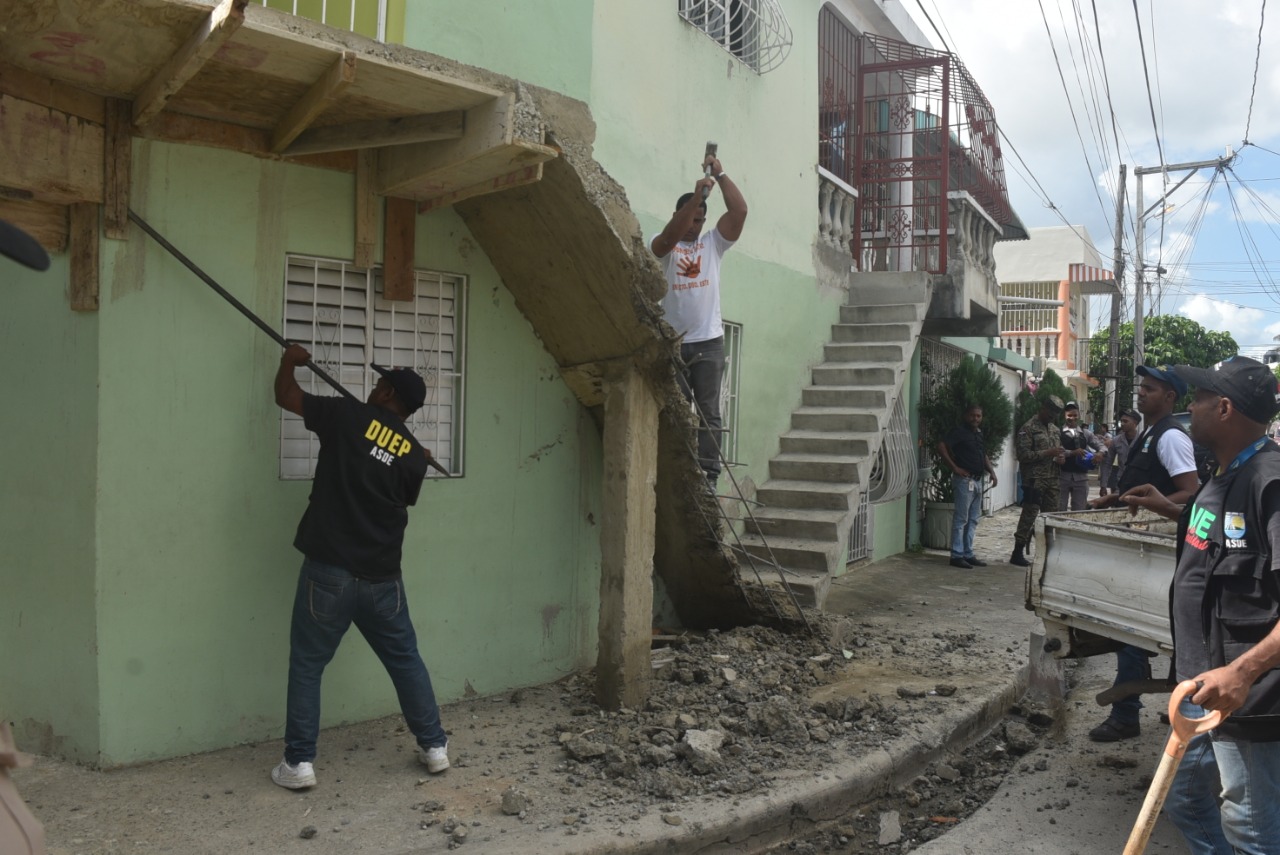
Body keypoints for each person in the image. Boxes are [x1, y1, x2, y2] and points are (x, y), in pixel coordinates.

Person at [270, 345, 449, 790]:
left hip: (328, 572)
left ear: (387, 391)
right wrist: (412, 456)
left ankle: (299, 764)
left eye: (379, 382)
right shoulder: (413, 455)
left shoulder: (346, 415)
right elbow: (398, 490)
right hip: (382, 579)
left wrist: (289, 361)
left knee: (309, 665)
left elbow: (286, 396)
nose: (373, 386)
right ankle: (435, 748)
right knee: (406, 661)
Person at [1121, 356, 1280, 852]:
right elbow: (1213, 538)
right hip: (1198, 687)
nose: (1191, 408)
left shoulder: (1268, 482)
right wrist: (1166, 506)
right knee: (1186, 797)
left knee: (1250, 827)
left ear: (1226, 408)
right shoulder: (1224, 473)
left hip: (1243, 696)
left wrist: (1243, 672)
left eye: (1200, 398)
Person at [1087, 367, 1201, 743]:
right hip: (1144, 546)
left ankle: (1126, 716)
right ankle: (1178, 709)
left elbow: (1190, 492)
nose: (1141, 394)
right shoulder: (1149, 434)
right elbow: (1144, 488)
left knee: (1132, 630)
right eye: (1141, 388)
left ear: (1170, 398)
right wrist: (1116, 499)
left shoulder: (1171, 437)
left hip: (1160, 549)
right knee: (1156, 631)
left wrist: (1156, 506)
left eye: (1150, 390)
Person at [650, 153, 748, 489]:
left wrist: (720, 175)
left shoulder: (713, 244)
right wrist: (695, 199)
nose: (697, 225)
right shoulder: (665, 246)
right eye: (692, 218)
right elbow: (668, 239)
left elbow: (740, 212)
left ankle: (708, 475)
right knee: (675, 410)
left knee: (708, 411)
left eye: (701, 219)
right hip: (675, 341)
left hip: (708, 341)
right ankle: (675, 469)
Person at [936, 403, 998, 569]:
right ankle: (956, 555)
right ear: (966, 416)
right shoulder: (959, 432)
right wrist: (955, 468)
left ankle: (967, 553)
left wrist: (992, 472)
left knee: (973, 519)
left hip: (978, 480)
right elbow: (941, 446)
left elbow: (982, 454)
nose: (975, 419)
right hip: (964, 481)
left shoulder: (979, 434)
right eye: (972, 415)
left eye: (978, 416)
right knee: (961, 519)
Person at [1010, 395, 1066, 567]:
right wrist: (1047, 453)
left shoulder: (1055, 430)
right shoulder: (1028, 428)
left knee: (1051, 517)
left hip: (1053, 479)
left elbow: (1058, 453)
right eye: (1049, 414)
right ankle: (1017, 552)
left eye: (1054, 415)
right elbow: (1023, 455)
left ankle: (1048, 553)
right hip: (1035, 480)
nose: (1051, 418)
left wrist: (1060, 458)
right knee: (1029, 515)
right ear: (1043, 408)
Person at [1058, 401, 1104, 510]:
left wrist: (1100, 453)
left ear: (1079, 415)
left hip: (1081, 478)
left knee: (1079, 510)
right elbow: (1056, 451)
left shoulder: (1086, 433)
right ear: (1065, 415)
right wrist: (1072, 453)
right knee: (1059, 510)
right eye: (1069, 415)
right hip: (1062, 476)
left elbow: (1101, 446)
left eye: (1075, 415)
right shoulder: (1058, 432)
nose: (1072, 418)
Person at [1107, 408, 1141, 495]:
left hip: (1139, 483)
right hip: (1121, 483)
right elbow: (1108, 463)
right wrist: (1104, 484)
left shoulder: (1143, 440)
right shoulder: (1116, 441)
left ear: (1135, 423)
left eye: (1125, 421)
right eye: (1121, 421)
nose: (1122, 424)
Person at [1095, 420, 1114, 497]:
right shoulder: (1102, 435)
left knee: (1105, 473)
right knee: (1103, 473)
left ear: (1105, 428)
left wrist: (1102, 437)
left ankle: (1104, 488)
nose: (1101, 429)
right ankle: (1103, 488)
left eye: (1102, 428)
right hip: (1102, 456)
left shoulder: (1108, 435)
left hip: (1107, 456)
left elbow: (1108, 443)